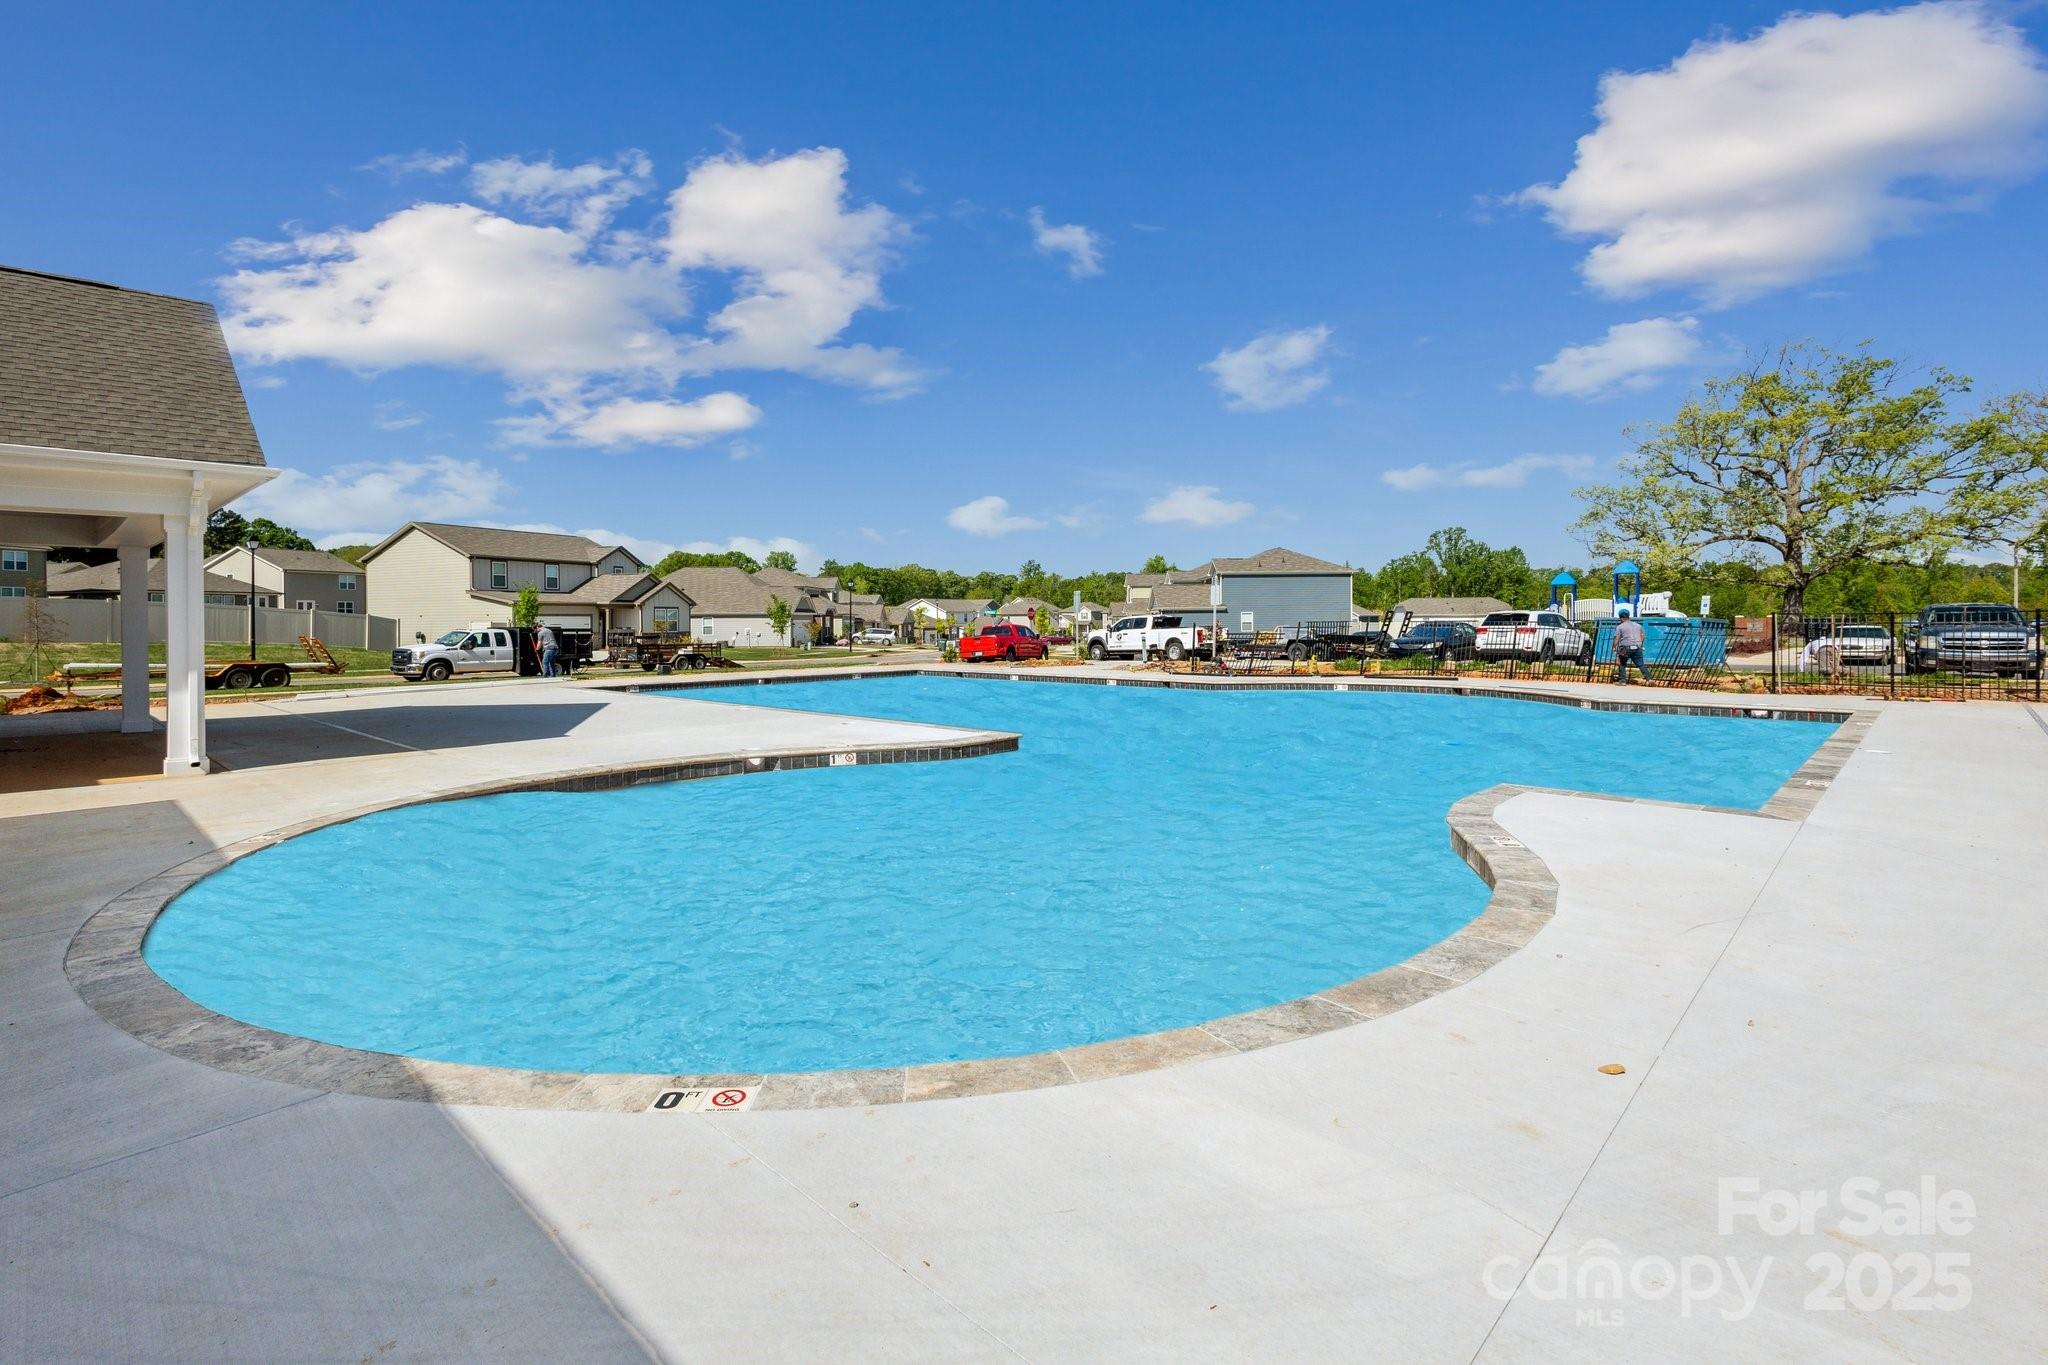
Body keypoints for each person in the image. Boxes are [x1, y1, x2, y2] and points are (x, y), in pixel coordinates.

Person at [1613, 608, 1650, 685]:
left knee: (1621, 662)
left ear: (1621, 618)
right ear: (1628, 616)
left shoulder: (1620, 627)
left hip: (1625, 647)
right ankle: (1649, 679)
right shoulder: (1638, 626)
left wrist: (1614, 646)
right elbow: (1642, 636)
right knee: (1641, 664)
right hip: (1637, 647)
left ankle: (1622, 681)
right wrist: (1640, 644)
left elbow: (1617, 638)